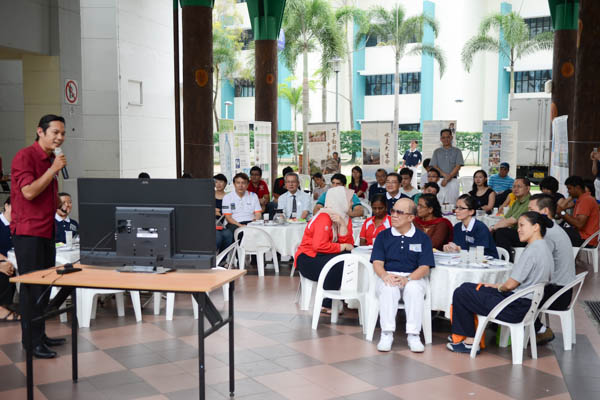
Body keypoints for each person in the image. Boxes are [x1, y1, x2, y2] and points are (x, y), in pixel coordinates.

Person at [447, 212, 552, 354]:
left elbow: (510, 285)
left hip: (516, 307)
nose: (518, 229)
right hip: (526, 304)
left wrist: (499, 287)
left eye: (522, 225)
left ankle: (470, 341)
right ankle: (465, 336)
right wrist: (496, 287)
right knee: (468, 286)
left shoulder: (532, 251)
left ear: (536, 227)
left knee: (462, 293)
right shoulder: (544, 247)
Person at [11, 114, 68, 358]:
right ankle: (31, 342)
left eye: (63, 133)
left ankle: (40, 335)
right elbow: (28, 192)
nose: (60, 137)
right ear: (40, 131)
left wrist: (58, 203)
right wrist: (54, 169)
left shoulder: (51, 159)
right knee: (32, 288)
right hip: (28, 232)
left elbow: (46, 193)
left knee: (45, 286)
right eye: (55, 132)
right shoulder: (25, 156)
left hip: (47, 230)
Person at [371, 198, 434, 353]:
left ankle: (413, 335)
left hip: (413, 277)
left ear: (411, 217)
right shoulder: (383, 236)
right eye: (393, 211)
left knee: (413, 290)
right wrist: (385, 276)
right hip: (389, 275)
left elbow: (424, 267)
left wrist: (408, 278)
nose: (394, 215)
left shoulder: (422, 238)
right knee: (388, 288)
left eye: (399, 212)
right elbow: (377, 263)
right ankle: (386, 334)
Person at [295, 186, 355, 311]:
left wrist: (343, 226)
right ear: (339, 200)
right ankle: (328, 301)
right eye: (349, 200)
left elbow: (349, 244)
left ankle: (345, 297)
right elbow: (319, 246)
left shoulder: (341, 217)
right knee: (341, 262)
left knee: (349, 255)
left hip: (320, 255)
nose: (352, 203)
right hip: (307, 259)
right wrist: (342, 246)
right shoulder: (324, 217)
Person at [528, 194, 575, 344]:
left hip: (557, 293)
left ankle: (540, 330)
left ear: (544, 212)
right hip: (562, 288)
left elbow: (539, 268)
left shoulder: (547, 234)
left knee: (515, 295)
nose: (527, 214)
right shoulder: (553, 228)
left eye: (531, 210)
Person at [490, 178, 531, 260]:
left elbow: (512, 221)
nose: (515, 189)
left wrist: (494, 227)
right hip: (517, 232)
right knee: (495, 232)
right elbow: (505, 218)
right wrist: (493, 227)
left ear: (528, 188)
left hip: (525, 236)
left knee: (501, 232)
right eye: (514, 186)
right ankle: (495, 257)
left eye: (519, 186)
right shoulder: (516, 202)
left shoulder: (529, 202)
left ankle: (507, 261)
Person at [557, 175, 599, 247]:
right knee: (555, 230)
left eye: (569, 189)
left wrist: (562, 213)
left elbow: (579, 224)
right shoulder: (581, 199)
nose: (568, 191)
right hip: (581, 235)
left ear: (577, 188)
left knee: (555, 232)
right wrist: (561, 212)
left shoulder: (586, 200)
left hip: (586, 239)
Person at [430, 129, 463, 206]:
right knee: (439, 202)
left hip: (453, 180)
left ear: (451, 137)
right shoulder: (437, 151)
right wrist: (445, 177)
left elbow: (458, 166)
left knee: (453, 203)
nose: (446, 139)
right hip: (439, 180)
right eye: (443, 137)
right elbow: (435, 166)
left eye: (448, 137)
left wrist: (448, 178)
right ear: (441, 139)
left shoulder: (457, 151)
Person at [0, 197, 18, 322]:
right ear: (6, 206)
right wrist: (5, 261)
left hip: (14, 261)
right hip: (4, 261)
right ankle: (2, 309)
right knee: (5, 271)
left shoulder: (18, 225)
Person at [214, 174, 234, 252]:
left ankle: (222, 259)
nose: (218, 184)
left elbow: (233, 210)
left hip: (224, 224)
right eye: (216, 182)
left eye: (221, 182)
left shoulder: (230, 197)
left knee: (228, 235)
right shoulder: (208, 195)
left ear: (225, 183)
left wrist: (221, 211)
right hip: (210, 225)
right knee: (217, 237)